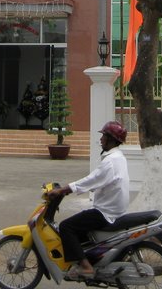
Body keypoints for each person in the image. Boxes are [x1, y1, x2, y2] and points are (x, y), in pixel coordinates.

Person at [47, 120, 129, 280]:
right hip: (113, 209)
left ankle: (86, 267)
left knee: (66, 227)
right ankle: (89, 260)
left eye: (104, 136)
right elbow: (94, 181)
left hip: (105, 212)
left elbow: (91, 180)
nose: (101, 140)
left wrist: (64, 190)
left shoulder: (110, 162)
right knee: (80, 231)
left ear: (111, 139)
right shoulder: (118, 157)